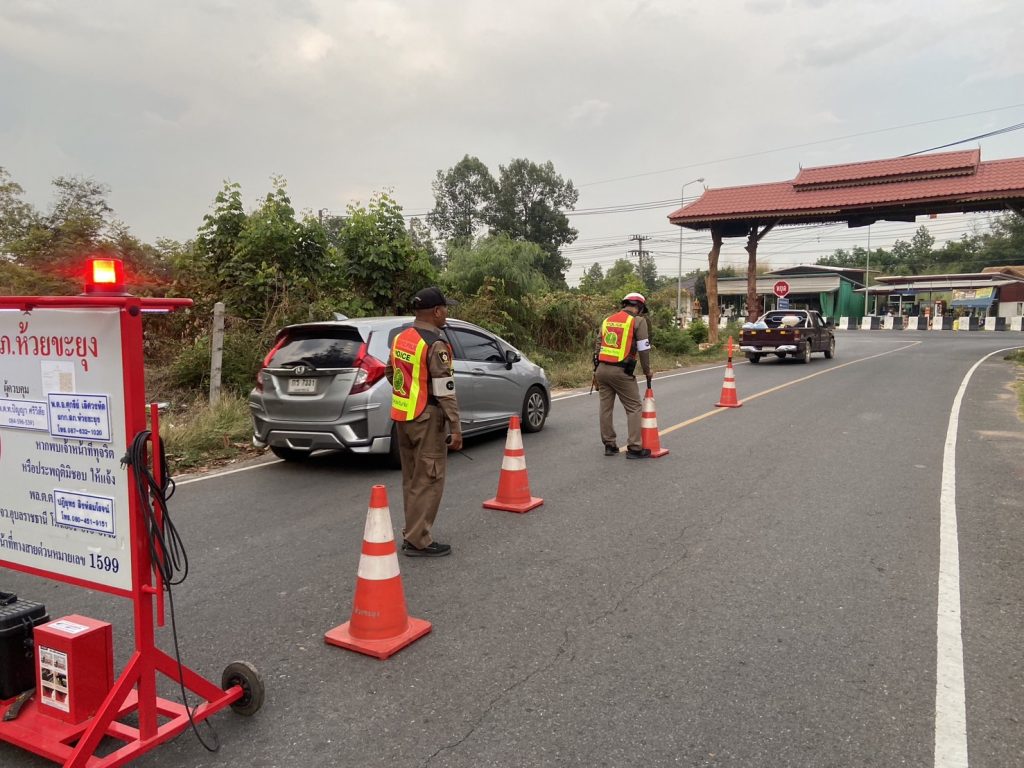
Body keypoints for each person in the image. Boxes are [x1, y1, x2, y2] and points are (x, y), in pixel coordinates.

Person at [386, 287, 462, 557]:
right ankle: (418, 540)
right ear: (437, 311)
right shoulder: (435, 344)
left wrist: (409, 391)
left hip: (403, 416)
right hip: (427, 418)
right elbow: (445, 390)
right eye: (445, 308)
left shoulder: (401, 338)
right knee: (429, 479)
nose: (447, 313)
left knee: (412, 479)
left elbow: (390, 372)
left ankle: (412, 533)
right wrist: (455, 427)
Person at [594, 292, 654, 459]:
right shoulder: (638, 321)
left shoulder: (608, 320)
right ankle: (634, 447)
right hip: (621, 371)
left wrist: (596, 371)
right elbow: (643, 349)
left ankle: (609, 445)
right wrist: (647, 370)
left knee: (605, 408)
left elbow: (598, 346)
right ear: (639, 307)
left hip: (602, 370)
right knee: (634, 407)